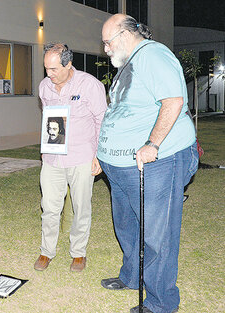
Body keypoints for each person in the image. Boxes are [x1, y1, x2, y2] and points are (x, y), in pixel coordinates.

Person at [98, 14, 198, 313]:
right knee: (127, 225)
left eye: (107, 42)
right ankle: (132, 277)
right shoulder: (131, 62)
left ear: (126, 35)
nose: (105, 49)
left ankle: (160, 303)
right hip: (120, 167)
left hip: (158, 163)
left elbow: (173, 101)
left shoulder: (153, 55)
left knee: (157, 235)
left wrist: (152, 144)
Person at [34, 43, 107, 272]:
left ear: (68, 63)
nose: (49, 74)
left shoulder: (90, 85)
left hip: (82, 157)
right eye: (46, 68)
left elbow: (101, 121)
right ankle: (47, 251)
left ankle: (78, 253)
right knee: (49, 207)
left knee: (81, 207)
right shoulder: (44, 87)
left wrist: (99, 155)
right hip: (52, 159)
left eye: (54, 69)